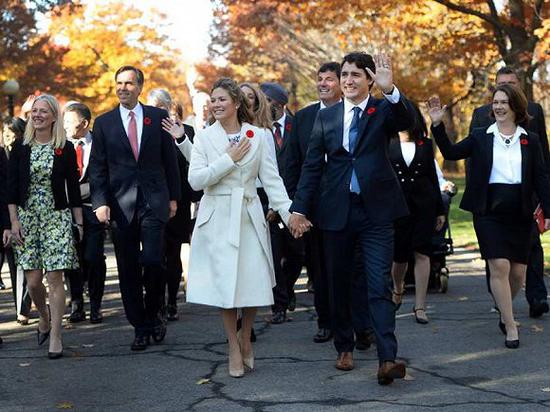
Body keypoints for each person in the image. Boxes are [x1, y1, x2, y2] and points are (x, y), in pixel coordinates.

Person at [288, 52, 414, 385]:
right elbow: (312, 165)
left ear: (369, 80)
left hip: (375, 212)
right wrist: (298, 208)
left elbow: (408, 122)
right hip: (336, 211)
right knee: (338, 281)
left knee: (378, 284)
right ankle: (344, 346)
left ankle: (387, 357)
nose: (348, 80)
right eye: (344, 74)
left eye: (356, 75)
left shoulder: (381, 109)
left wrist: (391, 91)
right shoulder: (326, 117)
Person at [428, 85, 550, 349]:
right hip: (489, 211)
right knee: (500, 267)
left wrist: (548, 212)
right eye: (495, 102)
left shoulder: (531, 139)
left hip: (520, 212)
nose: (498, 107)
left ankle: (503, 304)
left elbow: (541, 177)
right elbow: (450, 152)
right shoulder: (480, 136)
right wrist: (437, 125)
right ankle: (510, 325)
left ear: (516, 107)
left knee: (518, 273)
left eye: (504, 102)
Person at [186, 78, 293, 378]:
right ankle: (233, 344)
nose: (217, 104)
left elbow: (272, 181)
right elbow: (196, 181)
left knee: (251, 282)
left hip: (248, 214)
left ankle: (246, 335)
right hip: (217, 217)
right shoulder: (204, 138)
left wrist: (288, 213)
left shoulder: (258, 136)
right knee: (225, 287)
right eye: (213, 99)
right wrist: (228, 160)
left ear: (236, 103)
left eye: (222, 99)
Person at [89, 66, 181, 351]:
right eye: (119, 83)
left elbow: (170, 162)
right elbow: (97, 168)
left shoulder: (157, 117)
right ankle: (140, 326)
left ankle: (154, 313)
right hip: (120, 205)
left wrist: (174, 197)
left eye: (129, 83)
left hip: (154, 200)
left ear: (140, 87)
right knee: (128, 268)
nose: (123, 88)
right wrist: (100, 202)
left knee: (153, 260)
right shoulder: (104, 123)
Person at [6, 94, 83, 359]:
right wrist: (13, 221)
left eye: (43, 111)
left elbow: (73, 186)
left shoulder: (64, 147)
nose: (37, 115)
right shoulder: (21, 146)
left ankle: (56, 335)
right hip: (27, 218)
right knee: (34, 281)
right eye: (34, 111)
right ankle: (44, 316)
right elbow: (11, 188)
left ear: (53, 117)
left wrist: (78, 222)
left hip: (56, 217)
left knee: (55, 277)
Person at [469, 66, 550, 319]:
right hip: (491, 200)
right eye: (501, 84)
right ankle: (501, 300)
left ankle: (536, 296)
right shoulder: (481, 114)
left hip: (527, 193)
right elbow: (470, 157)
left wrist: (545, 199)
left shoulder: (533, 111)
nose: (507, 87)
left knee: (530, 250)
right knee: (497, 256)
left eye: (512, 83)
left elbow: (542, 155)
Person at [285, 62, 342, 343]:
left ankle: (355, 321)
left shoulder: (352, 114)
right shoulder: (304, 118)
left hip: (347, 203)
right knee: (319, 266)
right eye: (319, 79)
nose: (322, 84)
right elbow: (293, 163)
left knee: (345, 266)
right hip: (315, 207)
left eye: (329, 79)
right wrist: (297, 207)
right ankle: (325, 321)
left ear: (341, 83)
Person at [389, 102, 445, 324]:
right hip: (397, 208)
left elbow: (432, 178)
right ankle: (398, 287)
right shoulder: (388, 143)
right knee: (400, 257)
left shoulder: (425, 143)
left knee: (422, 253)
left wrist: (440, 210)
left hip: (424, 206)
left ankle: (420, 306)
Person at [147, 89, 197, 321]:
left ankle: (171, 301)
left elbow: (193, 162)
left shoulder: (186, 131)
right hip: (152, 200)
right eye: (151, 105)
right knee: (154, 253)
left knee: (174, 252)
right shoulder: (145, 130)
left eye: (159, 106)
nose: (155, 110)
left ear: (168, 107)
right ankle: (155, 301)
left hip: (179, 199)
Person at [258, 82, 305, 324]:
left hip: (295, 203)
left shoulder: (298, 126)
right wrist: (271, 205)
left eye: (267, 103)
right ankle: (279, 306)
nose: (262, 107)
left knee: (297, 254)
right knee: (273, 257)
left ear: (279, 105)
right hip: (266, 204)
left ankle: (286, 289)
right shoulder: (256, 129)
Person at [63, 102, 107, 324]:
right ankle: (77, 304)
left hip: (94, 209)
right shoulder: (60, 146)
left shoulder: (99, 143)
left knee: (93, 257)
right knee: (73, 260)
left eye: (69, 121)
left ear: (84, 123)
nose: (65, 125)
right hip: (67, 211)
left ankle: (96, 305)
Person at [1, 118, 32, 324]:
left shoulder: (25, 151)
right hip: (6, 216)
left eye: (11, 132)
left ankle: (22, 307)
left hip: (20, 214)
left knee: (19, 265)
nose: (7, 135)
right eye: (5, 132)